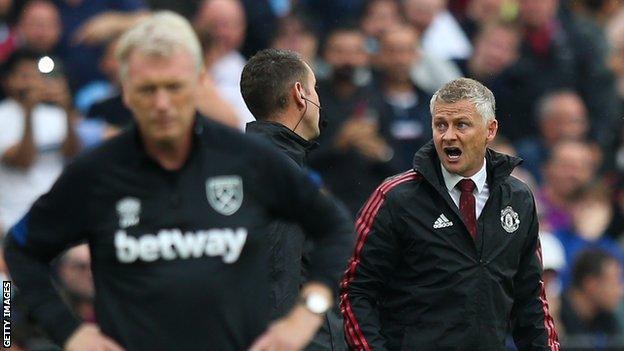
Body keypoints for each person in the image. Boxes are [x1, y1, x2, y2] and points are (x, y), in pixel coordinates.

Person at [4, 11, 353, 351]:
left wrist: (308, 313)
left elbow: (335, 226)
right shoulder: (97, 172)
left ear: (200, 81)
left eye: (174, 87)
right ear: (125, 92)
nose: (162, 104)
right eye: (147, 89)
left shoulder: (248, 159)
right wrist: (69, 333)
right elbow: (19, 250)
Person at [340, 78, 560, 350]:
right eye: (440, 125)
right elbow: (355, 291)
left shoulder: (519, 198)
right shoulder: (395, 197)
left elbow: (531, 300)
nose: (448, 136)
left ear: (490, 130)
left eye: (461, 125)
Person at [241, 48, 347, 351]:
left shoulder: (251, 163)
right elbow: (278, 276)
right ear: (301, 94)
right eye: (315, 89)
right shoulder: (280, 175)